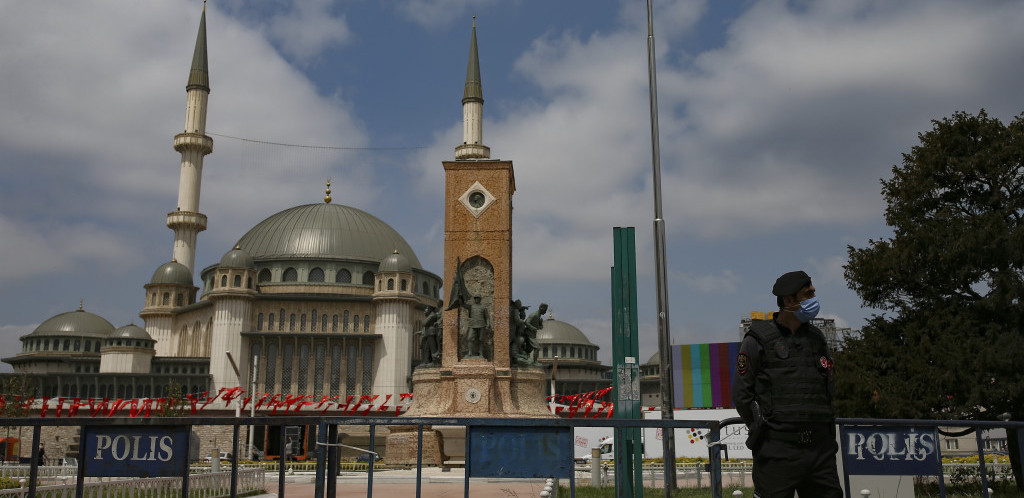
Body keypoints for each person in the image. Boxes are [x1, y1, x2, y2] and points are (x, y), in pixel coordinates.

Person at [731, 270, 842, 497]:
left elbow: (827, 389)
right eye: (807, 294)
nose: (814, 298)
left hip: (820, 451)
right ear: (789, 301)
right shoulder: (757, 340)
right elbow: (742, 395)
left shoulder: (817, 339)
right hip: (777, 451)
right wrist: (764, 433)